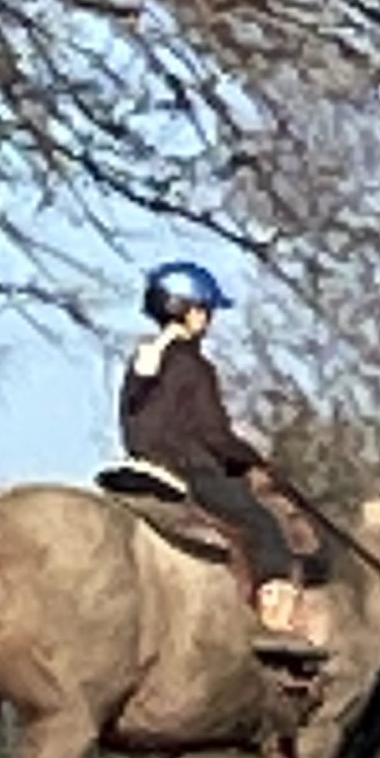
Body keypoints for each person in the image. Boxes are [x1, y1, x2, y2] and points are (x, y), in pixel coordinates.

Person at [118, 259, 327, 665]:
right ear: (189, 310)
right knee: (262, 525)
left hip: (137, 463)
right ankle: (275, 629)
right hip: (187, 466)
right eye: (205, 310)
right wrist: (254, 461)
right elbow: (213, 435)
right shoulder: (194, 366)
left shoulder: (143, 360)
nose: (208, 319)